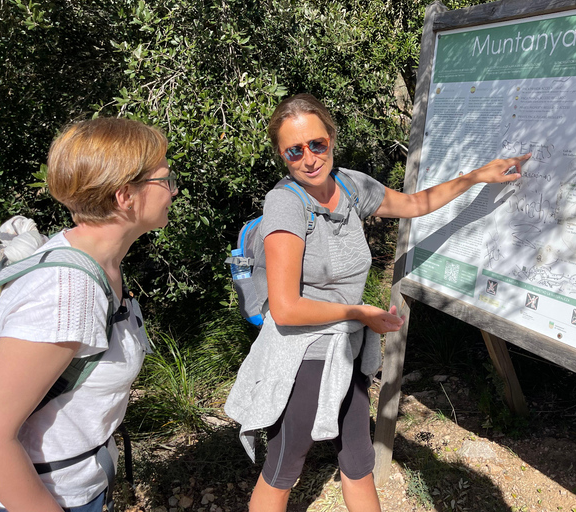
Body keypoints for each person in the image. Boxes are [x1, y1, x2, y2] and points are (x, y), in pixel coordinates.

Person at [224, 93, 530, 512]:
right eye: (294, 151)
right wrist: (361, 313)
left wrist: (475, 177)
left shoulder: (351, 185)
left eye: (317, 144)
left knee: (358, 462)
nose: (310, 158)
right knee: (283, 469)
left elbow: (415, 205)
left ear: (332, 138)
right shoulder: (286, 204)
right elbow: (287, 307)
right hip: (303, 354)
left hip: (348, 349)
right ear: (282, 156)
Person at [0, 117, 178, 512]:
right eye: (166, 179)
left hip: (82, 489)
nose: (175, 190)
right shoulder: (66, 290)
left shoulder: (101, 262)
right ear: (125, 195)